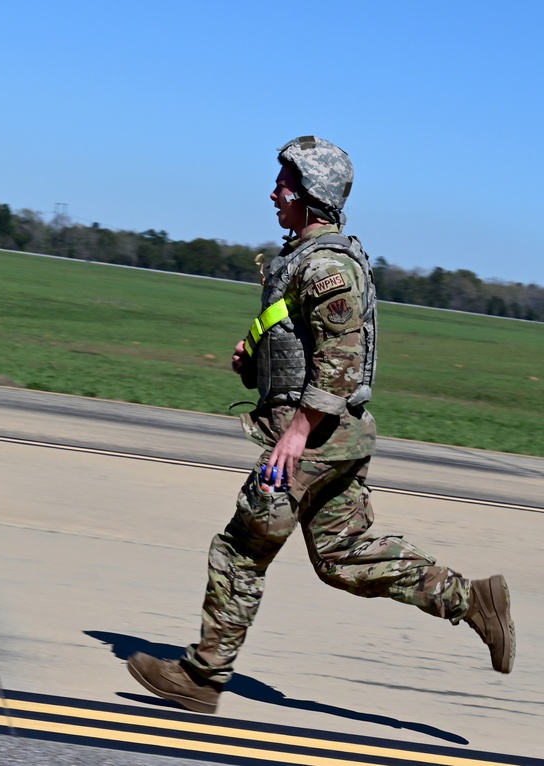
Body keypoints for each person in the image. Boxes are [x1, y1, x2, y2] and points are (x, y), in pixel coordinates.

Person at [126, 136, 516, 714]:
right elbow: (304, 351)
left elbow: (342, 363)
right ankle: (471, 600)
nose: (273, 191)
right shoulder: (302, 259)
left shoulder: (328, 267)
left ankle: (203, 676)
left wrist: (295, 433)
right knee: (342, 554)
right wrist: (252, 364)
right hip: (330, 438)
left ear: (312, 194)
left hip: (312, 441)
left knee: (241, 549)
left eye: (284, 182)